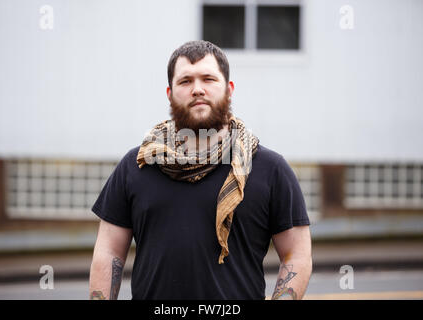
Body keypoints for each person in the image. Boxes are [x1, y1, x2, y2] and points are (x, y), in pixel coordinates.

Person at [89, 40, 312, 300]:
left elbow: (296, 253)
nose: (197, 90)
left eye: (208, 79)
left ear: (229, 90)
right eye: (185, 81)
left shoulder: (269, 168)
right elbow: (109, 252)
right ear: (170, 93)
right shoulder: (137, 165)